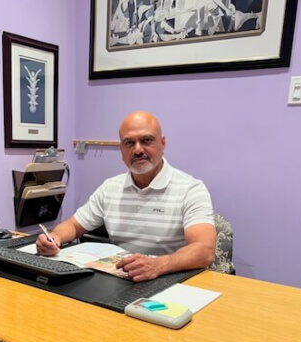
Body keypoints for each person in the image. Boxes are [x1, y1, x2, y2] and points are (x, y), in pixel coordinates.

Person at [36, 111, 217, 282]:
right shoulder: (110, 188)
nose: (138, 150)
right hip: (122, 279)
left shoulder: (191, 189)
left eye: (146, 140)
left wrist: (158, 265)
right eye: (129, 143)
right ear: (121, 149)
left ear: (163, 144)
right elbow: (74, 225)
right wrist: (54, 237)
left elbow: (204, 249)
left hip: (170, 279)